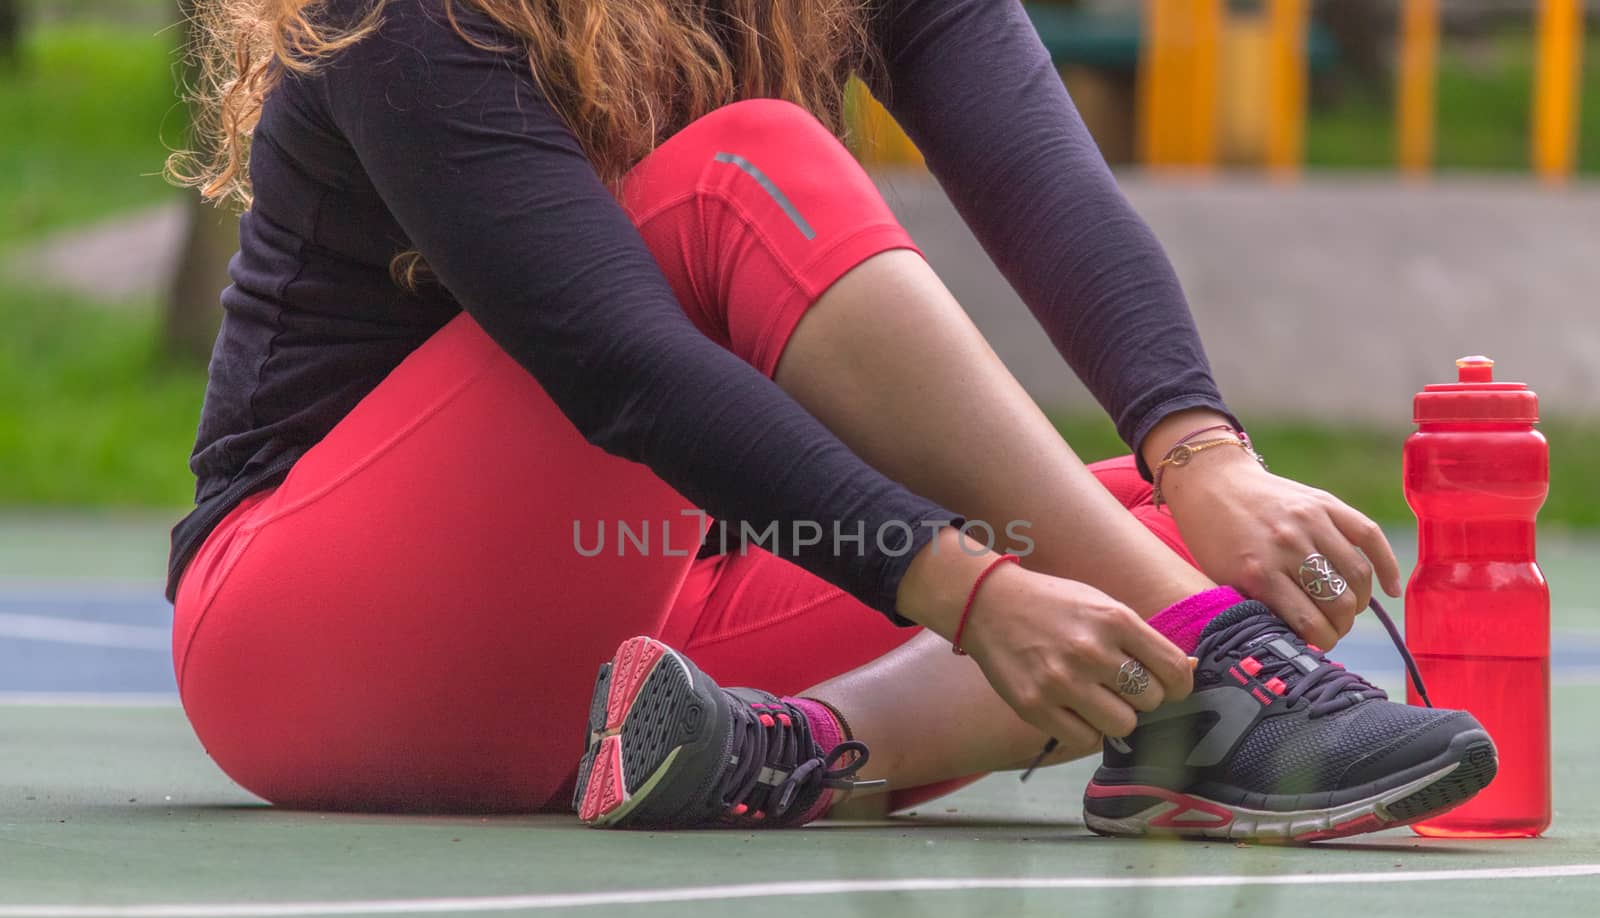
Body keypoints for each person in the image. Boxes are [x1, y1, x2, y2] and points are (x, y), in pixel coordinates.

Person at [168, 0, 1495, 841]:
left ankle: (777, 750)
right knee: (742, 174)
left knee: (1158, 535)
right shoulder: (394, 16)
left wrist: (1207, 458)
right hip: (308, 638)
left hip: (639, 630)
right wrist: (965, 586)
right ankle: (1225, 678)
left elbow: (1047, 189)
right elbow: (621, 364)